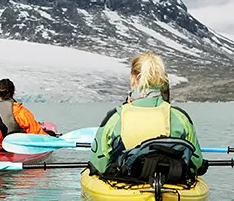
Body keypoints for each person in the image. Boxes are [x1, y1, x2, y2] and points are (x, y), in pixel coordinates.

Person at [88, 51, 207, 183]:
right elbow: (197, 162)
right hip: (171, 182)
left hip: (126, 183)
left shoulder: (115, 117)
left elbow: (98, 163)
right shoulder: (180, 117)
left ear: (133, 78)